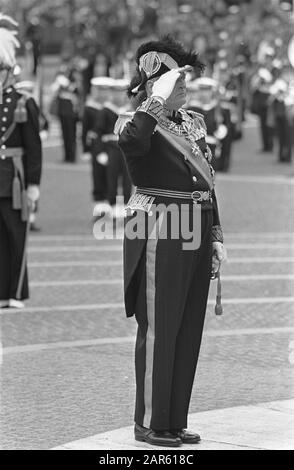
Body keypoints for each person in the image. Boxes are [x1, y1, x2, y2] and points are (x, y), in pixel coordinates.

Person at [117, 36, 226, 447]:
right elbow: (132, 145)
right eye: (175, 80)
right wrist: (154, 101)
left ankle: (172, 420)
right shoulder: (136, 123)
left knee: (186, 328)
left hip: (196, 226)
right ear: (154, 85)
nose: (185, 85)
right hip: (161, 228)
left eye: (184, 79)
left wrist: (216, 234)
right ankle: (148, 422)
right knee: (160, 327)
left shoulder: (192, 122)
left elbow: (207, 182)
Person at [0, 14, 42, 309]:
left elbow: (34, 147)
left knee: (16, 236)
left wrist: (33, 185)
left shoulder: (23, 102)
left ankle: (15, 291)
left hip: (14, 178)